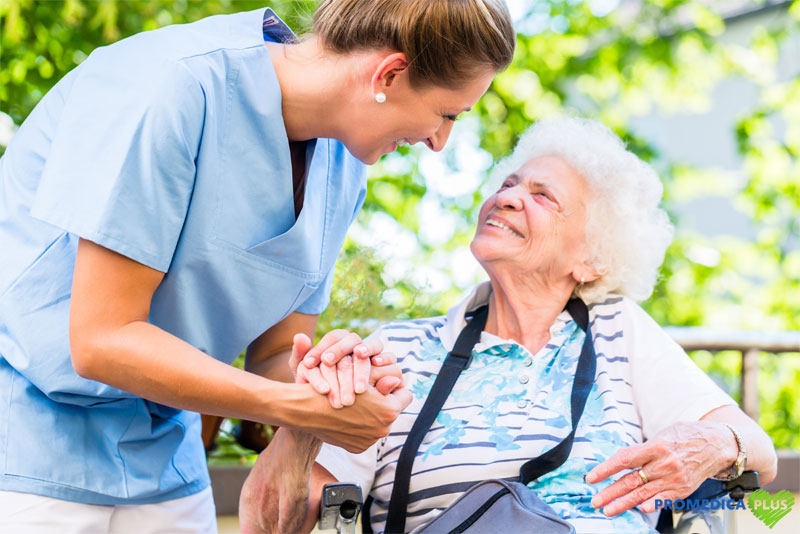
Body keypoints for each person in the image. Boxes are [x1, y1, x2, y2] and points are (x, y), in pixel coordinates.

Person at [0, 1, 516, 532]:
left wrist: (334, 382)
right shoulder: (169, 85)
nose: (439, 142)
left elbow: (272, 355)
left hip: (163, 460)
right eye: (448, 113)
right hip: (27, 445)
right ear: (389, 73)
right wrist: (296, 407)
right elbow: (101, 339)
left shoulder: (342, 167)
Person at [248, 116, 778, 533]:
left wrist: (712, 443)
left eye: (543, 196)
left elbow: (758, 452)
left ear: (592, 259)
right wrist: (302, 427)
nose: (507, 196)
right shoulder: (399, 350)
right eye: (508, 183)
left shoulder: (620, 332)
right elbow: (270, 524)